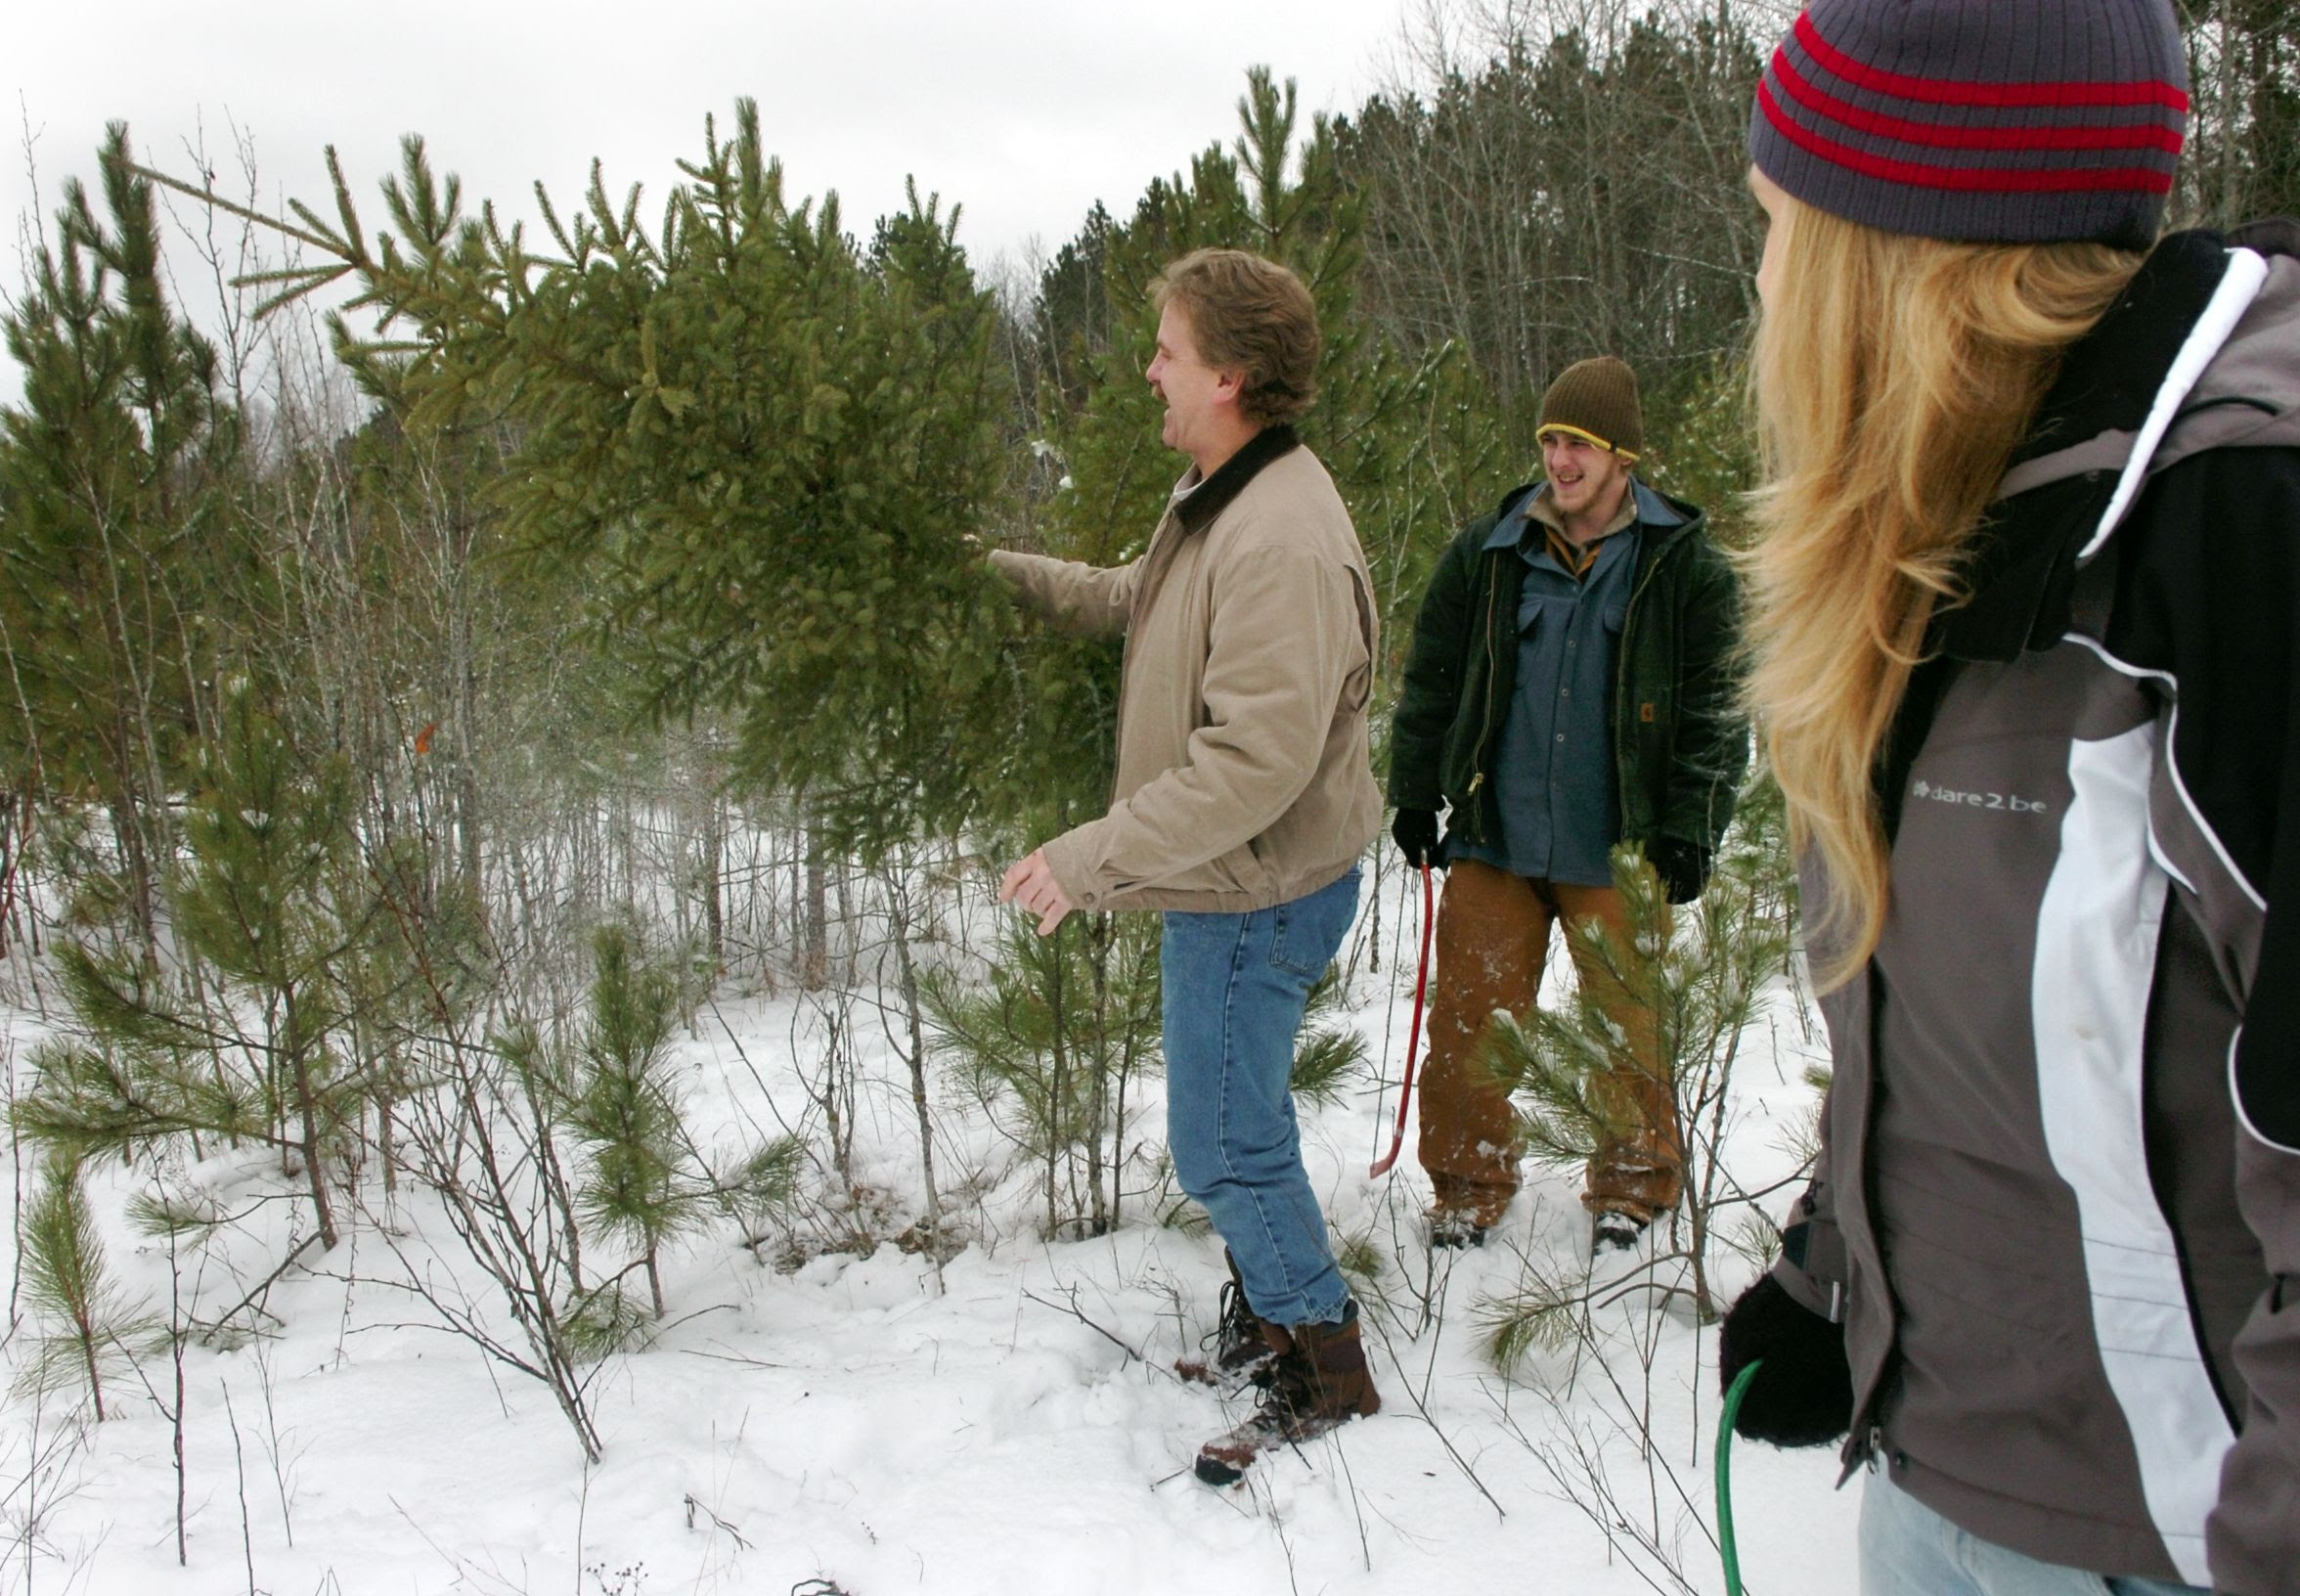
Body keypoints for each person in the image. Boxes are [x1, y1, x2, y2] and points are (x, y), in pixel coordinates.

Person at [1715, 3, 2300, 1593]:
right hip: (1936, 1479)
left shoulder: (2238, 538)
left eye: (1778, 231)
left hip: (2174, 1542)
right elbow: (1940, 1018)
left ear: (1894, 253)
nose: (1759, 282)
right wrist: (1829, 1274)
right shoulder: (1927, 539)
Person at [988, 247, 1384, 1485]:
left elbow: (1252, 767)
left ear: (1229, 372)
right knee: (1234, 1126)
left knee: (1222, 1144)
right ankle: (1275, 1317)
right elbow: (1141, 600)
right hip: (1229, 880)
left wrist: (1089, 859)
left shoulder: (1278, 535)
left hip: (1256, 889)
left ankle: (1321, 1356)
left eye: (1167, 349)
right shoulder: (1218, 491)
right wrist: (1008, 579)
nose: (1150, 368)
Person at [1387, 356, 1747, 1254]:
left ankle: (1631, 1187)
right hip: (1496, 837)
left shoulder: (1682, 565)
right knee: (1470, 1019)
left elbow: (1715, 706)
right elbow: (1431, 681)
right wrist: (1413, 791)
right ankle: (1468, 1184)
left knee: (1629, 1031)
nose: (1560, 458)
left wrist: (1692, 830)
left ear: (1623, 454)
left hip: (1619, 846)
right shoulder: (1488, 551)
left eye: (1579, 442)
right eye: (1550, 439)